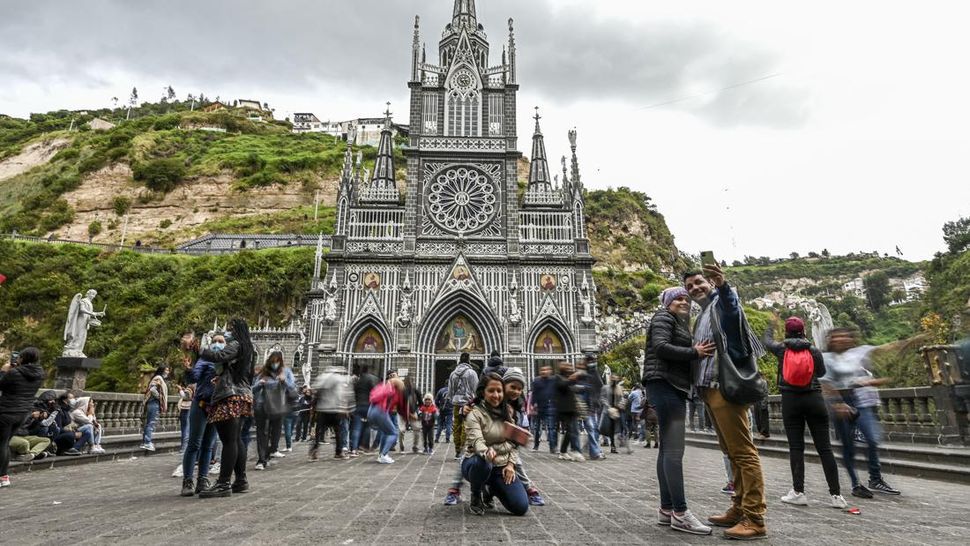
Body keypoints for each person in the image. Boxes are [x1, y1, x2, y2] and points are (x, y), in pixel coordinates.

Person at [684, 264, 768, 540]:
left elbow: (733, 313)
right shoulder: (703, 313)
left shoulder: (722, 302)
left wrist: (722, 285)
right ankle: (739, 507)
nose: (695, 288)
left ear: (708, 282)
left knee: (743, 452)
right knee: (731, 453)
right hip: (708, 389)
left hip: (725, 387)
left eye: (699, 283)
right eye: (690, 287)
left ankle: (755, 518)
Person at [643, 287, 714, 535]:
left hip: (666, 385)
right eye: (677, 299)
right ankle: (681, 513)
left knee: (667, 450)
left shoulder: (677, 321)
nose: (683, 301)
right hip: (665, 384)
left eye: (686, 298)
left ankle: (666, 509)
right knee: (674, 450)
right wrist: (694, 352)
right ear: (667, 303)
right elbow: (661, 347)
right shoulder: (663, 317)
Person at [762, 317, 846, 509]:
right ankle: (836, 496)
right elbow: (822, 373)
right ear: (804, 331)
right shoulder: (813, 350)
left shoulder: (782, 349)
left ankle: (798, 492)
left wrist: (770, 325)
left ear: (787, 332)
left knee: (796, 448)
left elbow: (766, 342)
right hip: (815, 399)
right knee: (825, 449)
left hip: (791, 400)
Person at [821, 327, 901, 498]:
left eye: (845, 336)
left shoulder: (856, 353)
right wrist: (838, 404)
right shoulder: (826, 358)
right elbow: (826, 383)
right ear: (831, 340)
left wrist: (906, 343)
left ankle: (875, 477)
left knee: (872, 438)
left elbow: (884, 349)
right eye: (837, 337)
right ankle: (856, 483)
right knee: (848, 446)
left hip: (855, 400)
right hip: (838, 403)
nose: (841, 339)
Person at [198, 317, 256, 499]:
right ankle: (240, 480)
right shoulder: (250, 350)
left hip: (230, 396)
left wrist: (198, 348)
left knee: (229, 440)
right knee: (236, 439)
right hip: (243, 394)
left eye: (230, 329)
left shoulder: (237, 345)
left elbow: (219, 356)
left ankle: (223, 483)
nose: (227, 332)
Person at [461, 372, 528, 516]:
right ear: (482, 392)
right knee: (483, 462)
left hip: (501, 466)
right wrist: (486, 452)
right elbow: (477, 440)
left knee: (520, 507)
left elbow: (515, 444)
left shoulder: (508, 412)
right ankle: (476, 494)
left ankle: (492, 489)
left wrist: (511, 465)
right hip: (477, 463)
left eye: (499, 391)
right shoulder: (474, 413)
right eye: (491, 391)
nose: (496, 395)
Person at [179, 331, 220, 497]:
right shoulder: (206, 360)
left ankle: (202, 479)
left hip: (217, 406)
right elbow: (194, 377)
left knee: (208, 446)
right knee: (195, 444)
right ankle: (188, 480)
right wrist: (188, 369)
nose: (218, 344)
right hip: (202, 404)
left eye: (221, 341)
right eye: (216, 341)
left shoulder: (226, 363)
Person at [0, 347, 45, 487]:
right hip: (23, 413)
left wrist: (3, 371)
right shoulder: (40, 374)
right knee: (4, 443)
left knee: (1, 444)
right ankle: (4, 476)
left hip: (7, 412)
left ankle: (2, 476)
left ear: (23, 358)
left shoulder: (14, 372)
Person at [251, 352, 295, 470]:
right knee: (262, 432)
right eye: (272, 361)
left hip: (278, 407)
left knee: (275, 434)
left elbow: (293, 389)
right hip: (262, 406)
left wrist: (284, 381)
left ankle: (269, 452)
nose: (274, 364)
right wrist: (260, 384)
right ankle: (261, 460)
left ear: (281, 362)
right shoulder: (262, 373)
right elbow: (253, 389)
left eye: (277, 361)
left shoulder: (286, 372)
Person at [311, 365, 352, 460]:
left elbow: (315, 390)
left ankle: (314, 450)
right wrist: (343, 408)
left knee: (319, 431)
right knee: (338, 431)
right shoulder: (338, 379)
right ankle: (338, 452)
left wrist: (315, 406)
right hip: (334, 408)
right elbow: (340, 394)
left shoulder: (322, 377)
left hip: (322, 408)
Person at [367, 377, 407, 464]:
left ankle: (381, 455)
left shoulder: (381, 387)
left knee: (385, 432)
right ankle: (383, 455)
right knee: (393, 433)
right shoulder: (390, 390)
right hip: (380, 411)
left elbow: (372, 397)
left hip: (372, 410)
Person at [448, 352, 479, 459]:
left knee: (456, 426)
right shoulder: (472, 373)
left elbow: (450, 390)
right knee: (466, 426)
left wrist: (453, 399)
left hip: (456, 403)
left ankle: (457, 449)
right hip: (468, 403)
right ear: (469, 360)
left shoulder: (453, 374)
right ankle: (462, 449)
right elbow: (476, 389)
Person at [554, 362, 584, 461]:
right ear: (561, 368)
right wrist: (571, 379)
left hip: (572, 408)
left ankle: (564, 451)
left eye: (570, 367)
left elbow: (575, 389)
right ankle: (571, 451)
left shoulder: (569, 378)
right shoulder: (557, 377)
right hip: (564, 409)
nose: (569, 368)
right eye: (567, 367)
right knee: (571, 430)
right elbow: (562, 386)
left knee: (571, 430)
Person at [350, 365, 378, 456]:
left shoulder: (358, 381)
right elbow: (375, 391)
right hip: (368, 406)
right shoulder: (371, 379)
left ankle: (354, 449)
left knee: (356, 428)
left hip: (358, 406)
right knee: (367, 426)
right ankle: (364, 446)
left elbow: (354, 392)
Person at [141, 365, 169, 451]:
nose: (168, 372)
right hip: (154, 403)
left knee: (148, 423)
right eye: (166, 370)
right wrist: (159, 397)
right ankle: (147, 442)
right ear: (162, 370)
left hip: (152, 403)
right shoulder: (158, 378)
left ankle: (146, 441)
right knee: (151, 423)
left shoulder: (158, 378)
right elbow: (152, 389)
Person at [529, 365, 557, 453]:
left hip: (550, 406)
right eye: (542, 370)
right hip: (539, 407)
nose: (544, 372)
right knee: (537, 428)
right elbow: (534, 394)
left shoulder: (553, 380)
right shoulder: (536, 381)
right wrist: (533, 405)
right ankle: (536, 445)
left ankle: (553, 447)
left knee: (551, 427)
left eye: (546, 370)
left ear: (550, 371)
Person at [600, 374, 627, 454]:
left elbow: (622, 398)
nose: (614, 380)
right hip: (608, 411)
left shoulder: (619, 388)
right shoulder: (605, 388)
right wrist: (608, 407)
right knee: (608, 429)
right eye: (613, 379)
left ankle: (618, 443)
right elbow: (602, 398)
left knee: (621, 427)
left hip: (618, 411)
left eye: (616, 379)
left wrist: (621, 405)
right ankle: (612, 446)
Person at [177, 379, 194, 453]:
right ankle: (185, 447)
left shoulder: (191, 386)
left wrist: (180, 390)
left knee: (185, 429)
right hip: (191, 408)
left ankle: (184, 447)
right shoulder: (196, 385)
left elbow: (186, 397)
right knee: (188, 428)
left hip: (186, 408)